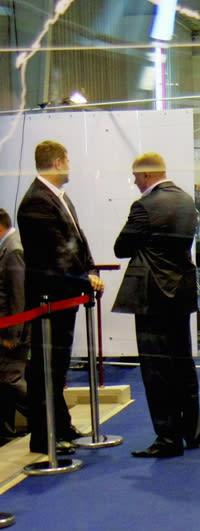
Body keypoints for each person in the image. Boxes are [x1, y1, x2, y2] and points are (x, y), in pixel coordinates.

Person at [113, 152, 200, 459]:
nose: (135, 182)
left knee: (156, 370)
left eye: (136, 176)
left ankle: (167, 438)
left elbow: (121, 247)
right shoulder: (186, 200)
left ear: (148, 175)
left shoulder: (144, 206)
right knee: (183, 363)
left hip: (152, 296)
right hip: (181, 292)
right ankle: (193, 432)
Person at [17, 140, 104, 456]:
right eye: (67, 160)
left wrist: (90, 270)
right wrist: (84, 278)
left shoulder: (58, 198)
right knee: (46, 370)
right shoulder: (37, 202)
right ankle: (45, 437)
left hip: (64, 296)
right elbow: (56, 253)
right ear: (57, 162)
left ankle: (61, 426)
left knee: (57, 368)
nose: (69, 166)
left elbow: (77, 241)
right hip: (49, 298)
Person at [0, 209, 28, 444]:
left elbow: (18, 296)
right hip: (6, 328)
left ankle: (48, 420)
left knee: (11, 380)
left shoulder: (13, 250)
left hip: (11, 330)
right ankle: (6, 431)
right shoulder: (8, 247)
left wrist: (13, 334)